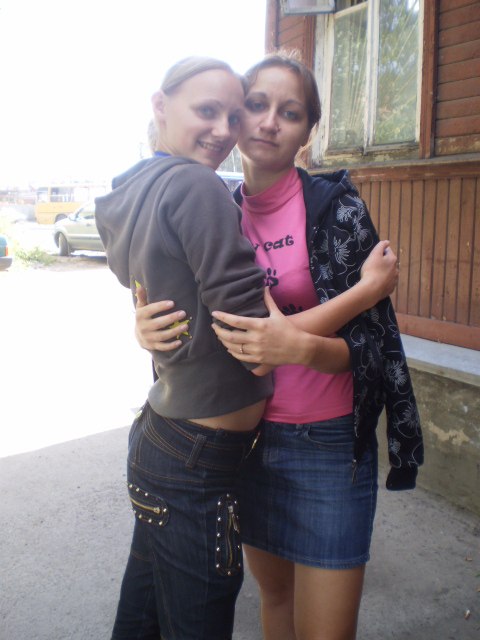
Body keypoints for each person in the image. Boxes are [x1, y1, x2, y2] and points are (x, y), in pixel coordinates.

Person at [134, 52, 424, 640]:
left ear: (307, 132)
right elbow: (175, 309)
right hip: (244, 442)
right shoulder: (212, 206)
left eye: (289, 113)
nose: (268, 122)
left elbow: (373, 353)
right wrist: (144, 328)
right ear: (236, 117)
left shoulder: (335, 208)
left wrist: (299, 348)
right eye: (256, 106)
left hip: (327, 445)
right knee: (277, 603)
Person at [94, 56, 277, 640]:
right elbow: (250, 330)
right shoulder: (197, 183)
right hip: (199, 457)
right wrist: (362, 296)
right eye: (207, 111)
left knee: (143, 620)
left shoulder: (134, 187)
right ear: (160, 106)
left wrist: (145, 325)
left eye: (233, 116)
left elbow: (153, 288)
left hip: (165, 440)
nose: (224, 130)